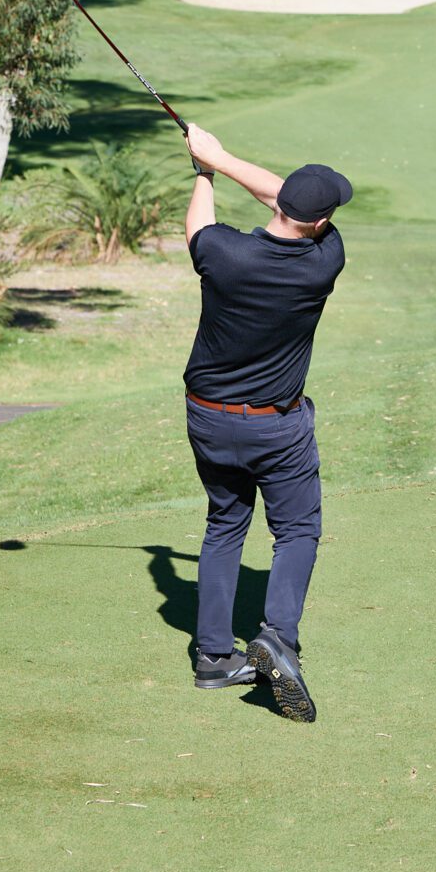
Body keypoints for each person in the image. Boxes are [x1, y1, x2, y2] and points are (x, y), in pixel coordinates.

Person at [179, 121, 352, 722]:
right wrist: (222, 158)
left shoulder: (223, 254)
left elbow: (198, 228)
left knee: (225, 524)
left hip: (207, 416)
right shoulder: (324, 261)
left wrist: (206, 168)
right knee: (297, 529)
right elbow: (284, 197)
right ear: (321, 222)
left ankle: (212, 658)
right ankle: (278, 636)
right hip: (276, 427)